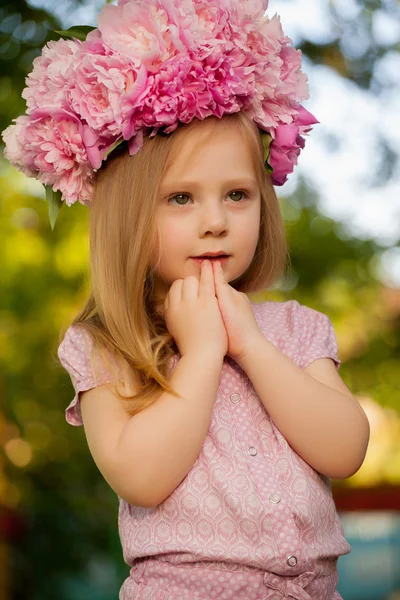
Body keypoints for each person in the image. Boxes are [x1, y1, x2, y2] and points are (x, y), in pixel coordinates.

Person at [1, 0, 370, 598]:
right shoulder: (106, 344)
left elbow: (345, 449)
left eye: (236, 195)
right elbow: (142, 479)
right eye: (181, 199)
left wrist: (250, 345)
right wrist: (200, 356)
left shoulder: (296, 330)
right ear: (128, 214)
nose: (215, 222)